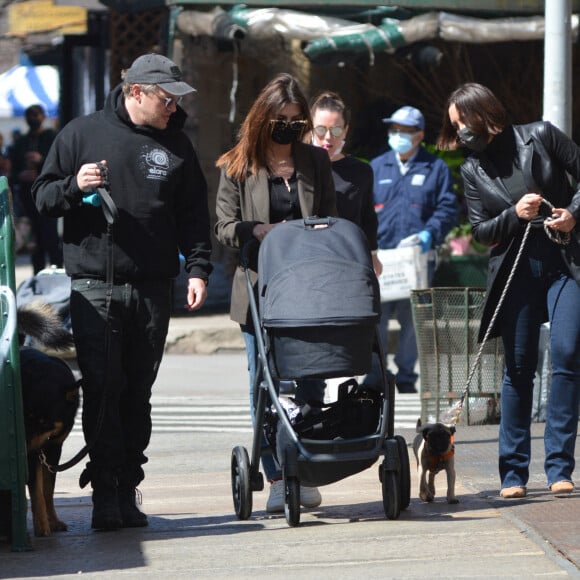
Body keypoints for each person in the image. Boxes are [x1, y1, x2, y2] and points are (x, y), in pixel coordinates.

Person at [32, 53, 213, 530]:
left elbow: (194, 213)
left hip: (153, 287)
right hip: (96, 286)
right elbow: (42, 198)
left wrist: (198, 269)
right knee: (102, 389)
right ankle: (104, 494)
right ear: (136, 91)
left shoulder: (176, 144)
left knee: (138, 392)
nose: (173, 106)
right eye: (166, 97)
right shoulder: (81, 133)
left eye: (177, 98)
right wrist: (74, 185)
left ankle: (128, 486)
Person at [437, 82, 580, 499]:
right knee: (518, 370)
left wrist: (571, 214)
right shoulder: (472, 169)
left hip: (564, 263)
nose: (461, 131)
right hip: (516, 273)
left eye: (463, 121)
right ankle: (513, 474)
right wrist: (514, 215)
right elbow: (481, 231)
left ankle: (559, 467)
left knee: (568, 355)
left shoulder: (541, 135)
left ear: (485, 114)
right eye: (455, 125)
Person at [214, 73, 337, 513]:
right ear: (262, 119)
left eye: (294, 118)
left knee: (310, 379)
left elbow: (330, 217)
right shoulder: (238, 165)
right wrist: (258, 230)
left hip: (309, 289)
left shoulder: (313, 161)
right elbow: (223, 226)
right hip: (259, 288)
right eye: (279, 118)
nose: (287, 124)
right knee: (263, 383)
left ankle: (304, 464)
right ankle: (277, 473)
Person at [366, 105, 457, 393]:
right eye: (394, 130)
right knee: (374, 318)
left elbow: (447, 208)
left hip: (416, 261)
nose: (397, 136)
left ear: (419, 135)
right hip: (380, 258)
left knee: (412, 321)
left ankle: (406, 376)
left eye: (404, 131)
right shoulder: (377, 167)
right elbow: (364, 210)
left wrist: (428, 234)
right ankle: (376, 372)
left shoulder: (435, 168)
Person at [309, 91, 382, 276]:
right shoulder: (298, 167)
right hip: (306, 260)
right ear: (310, 128)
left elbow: (367, 217)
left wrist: (373, 255)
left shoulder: (360, 172)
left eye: (335, 130)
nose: (328, 138)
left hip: (348, 262)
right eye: (320, 130)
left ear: (346, 130)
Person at [10, 104, 62, 274]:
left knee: (50, 236)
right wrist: (20, 175)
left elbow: (60, 163)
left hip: (48, 193)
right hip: (28, 197)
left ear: (42, 116)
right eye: (30, 115)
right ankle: (37, 273)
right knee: (35, 240)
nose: (33, 119)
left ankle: (57, 269)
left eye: (36, 115)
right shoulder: (22, 142)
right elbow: (12, 170)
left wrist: (41, 160)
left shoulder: (50, 137)